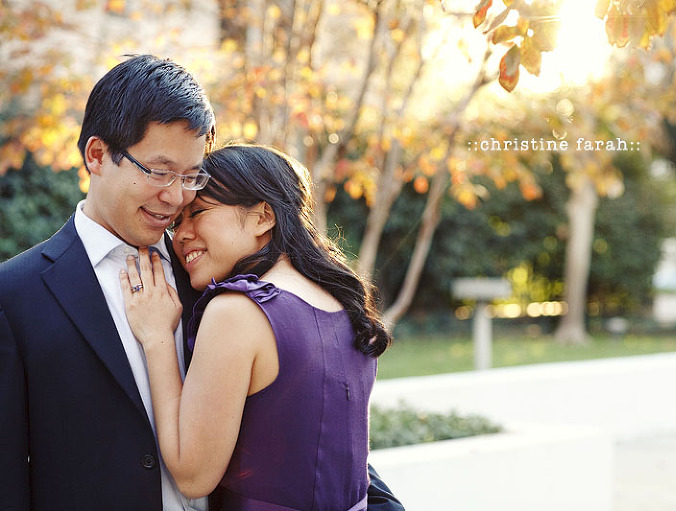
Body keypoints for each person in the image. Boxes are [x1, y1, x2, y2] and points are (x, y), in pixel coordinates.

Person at [0, 55, 402, 510]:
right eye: (159, 171)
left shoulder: (217, 274)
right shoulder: (15, 297)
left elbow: (307, 430)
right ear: (97, 156)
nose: (175, 196)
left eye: (190, 176)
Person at [119, 143, 393, 511]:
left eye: (197, 212)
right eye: (176, 222)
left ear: (263, 217)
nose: (180, 235)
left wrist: (156, 337)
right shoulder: (344, 306)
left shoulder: (236, 312)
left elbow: (193, 475)